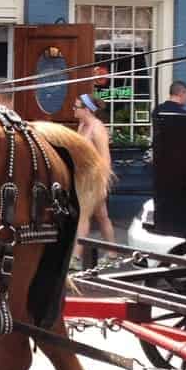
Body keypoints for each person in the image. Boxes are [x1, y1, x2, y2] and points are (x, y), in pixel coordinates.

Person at [72, 92, 115, 251]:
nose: (73, 109)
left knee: (83, 216)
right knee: (102, 217)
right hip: (83, 178)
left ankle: (76, 257)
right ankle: (113, 252)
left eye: (76, 107)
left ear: (87, 110)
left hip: (95, 180)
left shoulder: (98, 129)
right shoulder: (82, 126)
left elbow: (106, 159)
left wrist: (103, 184)